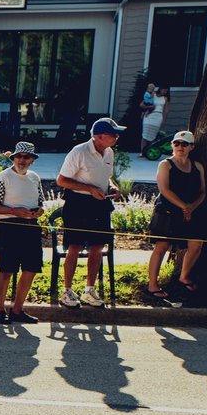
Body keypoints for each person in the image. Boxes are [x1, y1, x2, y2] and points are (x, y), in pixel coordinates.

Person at [56, 118, 125, 309]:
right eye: (113, 134)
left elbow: (106, 177)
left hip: (100, 205)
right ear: (99, 136)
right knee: (75, 247)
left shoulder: (109, 151)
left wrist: (112, 187)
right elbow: (61, 180)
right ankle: (67, 291)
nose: (117, 137)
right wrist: (89, 189)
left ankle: (89, 290)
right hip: (78, 204)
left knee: (97, 247)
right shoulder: (78, 152)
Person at [0, 141, 46, 324]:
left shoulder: (35, 177)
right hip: (10, 226)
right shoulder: (2, 178)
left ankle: (18, 310)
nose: (21, 160)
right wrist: (14, 211)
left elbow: (42, 203)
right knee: (6, 269)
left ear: (32, 160)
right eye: (18, 156)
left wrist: (38, 211)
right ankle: (0, 310)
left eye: (26, 157)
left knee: (31, 268)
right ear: (13, 158)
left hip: (31, 226)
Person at [145, 130, 207, 302]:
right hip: (168, 211)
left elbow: (202, 191)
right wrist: (183, 206)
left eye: (184, 144)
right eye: (177, 143)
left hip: (191, 211)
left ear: (191, 147)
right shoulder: (165, 164)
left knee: (196, 243)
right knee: (161, 247)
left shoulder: (197, 166)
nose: (180, 147)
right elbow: (164, 189)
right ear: (172, 145)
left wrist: (191, 208)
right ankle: (152, 285)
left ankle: (184, 276)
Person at [141, 84, 168, 155]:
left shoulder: (165, 99)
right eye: (164, 89)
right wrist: (149, 107)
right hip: (149, 115)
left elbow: (165, 111)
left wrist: (164, 120)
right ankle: (142, 152)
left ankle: (150, 152)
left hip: (158, 116)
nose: (165, 91)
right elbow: (142, 104)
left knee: (153, 136)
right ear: (160, 89)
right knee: (145, 134)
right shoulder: (153, 95)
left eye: (166, 90)